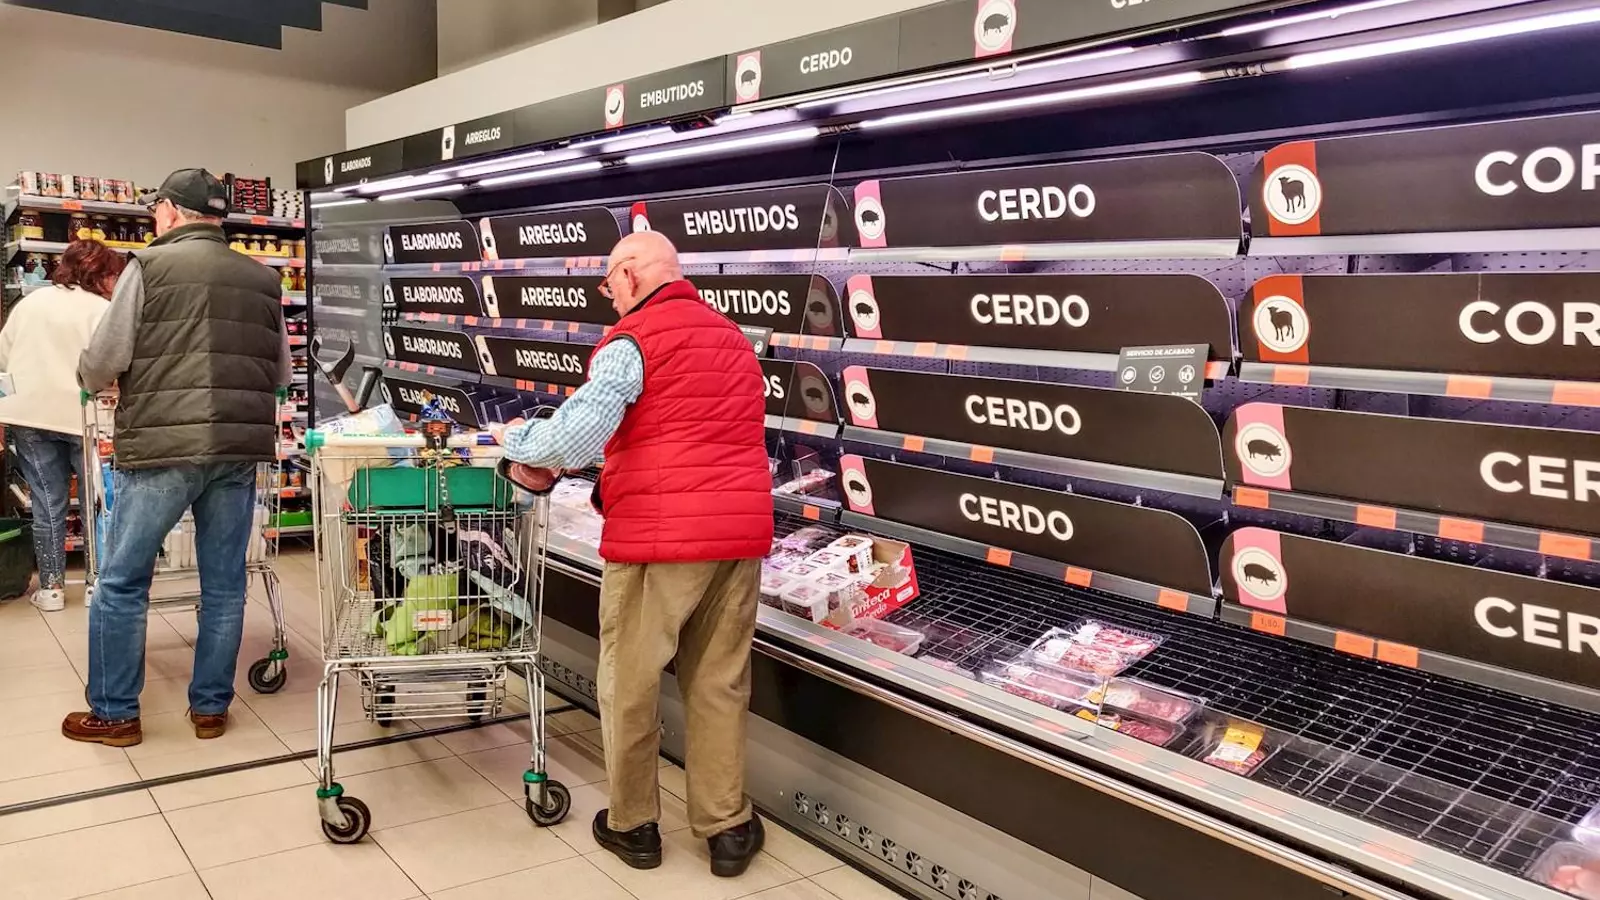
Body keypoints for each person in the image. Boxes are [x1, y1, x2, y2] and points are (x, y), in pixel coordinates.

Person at [493, 231, 773, 877]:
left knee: (631, 681)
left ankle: (634, 824)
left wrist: (518, 439)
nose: (609, 297)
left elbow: (573, 439)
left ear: (629, 274)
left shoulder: (633, 342)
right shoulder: (733, 338)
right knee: (719, 681)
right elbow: (693, 431)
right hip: (736, 536)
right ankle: (727, 826)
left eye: (608, 284)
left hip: (660, 540)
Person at [62, 169, 291, 749]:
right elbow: (281, 373)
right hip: (236, 451)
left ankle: (116, 714)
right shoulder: (263, 278)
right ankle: (210, 709)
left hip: (163, 449)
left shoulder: (148, 267)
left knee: (121, 582)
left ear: (169, 211)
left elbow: (105, 358)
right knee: (225, 585)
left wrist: (91, 377)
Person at [0, 240, 123, 611]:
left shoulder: (29, 304)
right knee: (96, 503)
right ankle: (96, 582)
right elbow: (115, 363)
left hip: (30, 415)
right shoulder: (103, 310)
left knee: (47, 503)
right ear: (99, 275)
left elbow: (3, 358)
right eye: (113, 275)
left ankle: (51, 588)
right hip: (87, 418)